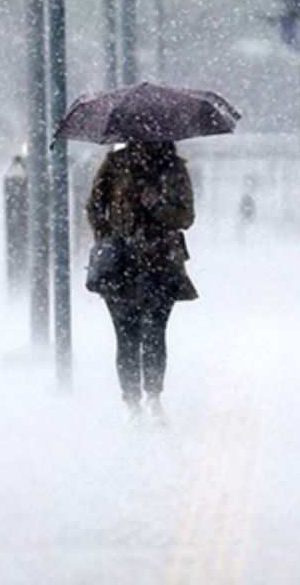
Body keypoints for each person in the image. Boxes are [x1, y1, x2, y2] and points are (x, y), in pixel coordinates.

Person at [86, 140, 197, 423]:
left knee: (154, 332)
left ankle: (153, 397)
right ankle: (133, 402)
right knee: (126, 335)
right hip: (120, 265)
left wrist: (157, 205)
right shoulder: (115, 165)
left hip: (160, 262)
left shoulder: (174, 168)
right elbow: (94, 206)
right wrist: (109, 238)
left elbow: (185, 217)